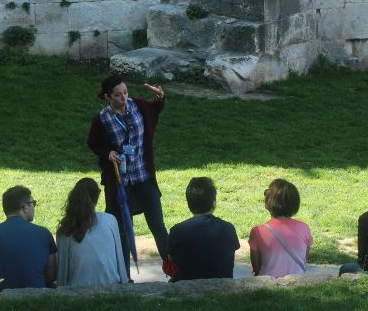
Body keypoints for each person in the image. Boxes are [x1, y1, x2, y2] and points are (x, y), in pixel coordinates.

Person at [86, 75, 169, 277]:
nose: (123, 97)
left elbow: (153, 113)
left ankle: (174, 270)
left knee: (157, 224)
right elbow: (93, 143)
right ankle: (124, 277)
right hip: (120, 182)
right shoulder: (102, 119)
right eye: (117, 95)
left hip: (143, 176)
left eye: (125, 92)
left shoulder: (138, 106)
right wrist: (108, 153)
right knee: (123, 230)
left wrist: (160, 99)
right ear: (108, 97)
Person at [0, 185, 57, 290]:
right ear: (25, 207)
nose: (34, 207)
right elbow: (51, 276)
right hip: (36, 296)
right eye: (33, 203)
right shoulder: (44, 234)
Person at [55, 177, 127, 287]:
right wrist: (125, 285)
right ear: (97, 197)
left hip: (77, 293)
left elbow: (62, 274)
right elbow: (120, 262)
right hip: (112, 288)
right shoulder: (110, 220)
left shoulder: (65, 230)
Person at [167, 177, 240, 281]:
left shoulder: (177, 231)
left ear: (189, 204)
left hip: (187, 288)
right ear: (213, 203)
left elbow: (171, 260)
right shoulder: (228, 228)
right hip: (223, 287)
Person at [247, 178, 313, 277]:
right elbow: (303, 260)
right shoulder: (304, 228)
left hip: (268, 285)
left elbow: (256, 267)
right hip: (297, 283)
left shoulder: (258, 232)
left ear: (269, 201)